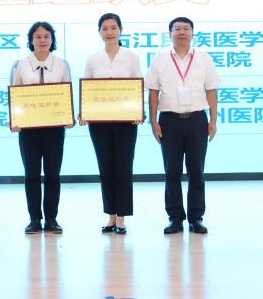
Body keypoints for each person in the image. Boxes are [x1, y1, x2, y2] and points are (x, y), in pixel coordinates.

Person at [145, 17, 220, 235]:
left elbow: (211, 90)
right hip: (169, 121)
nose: (181, 32)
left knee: (197, 172)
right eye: (177, 29)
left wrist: (213, 120)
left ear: (192, 33)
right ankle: (175, 218)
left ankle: (196, 218)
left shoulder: (204, 58)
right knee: (172, 172)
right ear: (170, 34)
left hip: (197, 120)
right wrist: (153, 121)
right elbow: (153, 91)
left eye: (186, 29)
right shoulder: (160, 58)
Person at [81, 13, 143, 235]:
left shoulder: (132, 57)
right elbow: (87, 89)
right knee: (105, 168)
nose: (109, 32)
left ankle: (122, 218)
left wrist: (138, 111)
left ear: (121, 30)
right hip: (99, 123)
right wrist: (84, 112)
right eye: (105, 28)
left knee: (123, 168)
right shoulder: (93, 60)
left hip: (126, 122)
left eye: (113, 27)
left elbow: (138, 86)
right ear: (99, 32)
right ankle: (111, 216)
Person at [11, 21, 72, 235]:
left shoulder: (62, 64)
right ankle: (34, 219)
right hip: (29, 129)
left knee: (53, 174)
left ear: (52, 39)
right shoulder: (20, 65)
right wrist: (14, 118)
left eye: (46, 36)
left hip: (55, 129)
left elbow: (67, 92)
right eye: (38, 36)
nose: (42, 40)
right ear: (31, 40)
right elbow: (15, 94)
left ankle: (52, 219)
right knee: (32, 175)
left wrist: (68, 115)